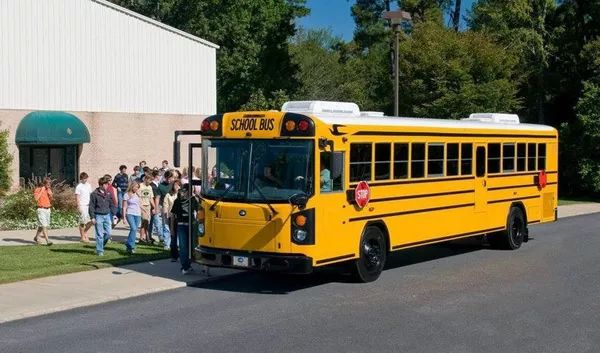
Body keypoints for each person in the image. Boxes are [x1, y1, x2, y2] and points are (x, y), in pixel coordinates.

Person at [171, 184, 199, 274]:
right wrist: (172, 228)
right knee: (183, 246)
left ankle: (188, 264)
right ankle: (185, 266)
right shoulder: (177, 201)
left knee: (191, 246)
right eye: (183, 190)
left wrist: (196, 221)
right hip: (181, 225)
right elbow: (172, 216)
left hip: (191, 225)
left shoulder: (193, 200)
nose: (184, 192)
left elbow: (199, 210)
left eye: (186, 190)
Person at [89, 176, 117, 256]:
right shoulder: (94, 194)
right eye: (105, 184)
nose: (107, 186)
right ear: (101, 185)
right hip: (98, 216)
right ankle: (99, 250)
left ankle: (101, 245)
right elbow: (91, 206)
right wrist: (92, 217)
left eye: (107, 184)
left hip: (107, 215)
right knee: (99, 235)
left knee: (108, 234)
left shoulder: (108, 193)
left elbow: (112, 204)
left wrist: (114, 214)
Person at [122, 181, 142, 254]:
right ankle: (131, 246)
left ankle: (128, 244)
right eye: (136, 187)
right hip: (130, 213)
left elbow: (139, 205)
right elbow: (124, 207)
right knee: (133, 228)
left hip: (138, 214)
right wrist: (124, 217)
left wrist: (144, 211)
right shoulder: (126, 195)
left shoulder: (137, 194)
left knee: (134, 230)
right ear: (132, 186)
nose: (137, 189)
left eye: (138, 187)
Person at [163, 180, 181, 262]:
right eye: (175, 185)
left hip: (181, 217)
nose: (177, 186)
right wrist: (166, 215)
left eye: (178, 185)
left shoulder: (183, 195)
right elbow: (165, 205)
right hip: (172, 217)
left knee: (181, 237)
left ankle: (183, 254)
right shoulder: (168, 195)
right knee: (173, 236)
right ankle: (174, 255)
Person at [33, 177, 53, 246]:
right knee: (44, 225)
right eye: (48, 184)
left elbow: (50, 200)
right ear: (44, 184)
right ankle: (48, 240)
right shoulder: (38, 189)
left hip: (48, 209)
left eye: (50, 183)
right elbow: (36, 199)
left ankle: (36, 237)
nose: (49, 185)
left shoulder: (48, 190)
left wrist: (50, 195)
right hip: (41, 209)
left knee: (43, 226)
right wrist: (42, 190)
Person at [156, 170, 173, 250]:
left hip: (173, 208)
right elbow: (158, 197)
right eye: (168, 178)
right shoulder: (161, 186)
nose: (169, 180)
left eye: (171, 178)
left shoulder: (173, 185)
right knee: (165, 225)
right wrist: (157, 207)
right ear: (165, 177)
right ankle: (167, 244)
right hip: (164, 208)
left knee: (173, 226)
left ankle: (175, 243)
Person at [75, 172, 93, 242]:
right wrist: (78, 206)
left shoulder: (89, 185)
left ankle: (85, 232)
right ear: (81, 179)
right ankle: (82, 237)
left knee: (91, 221)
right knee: (82, 222)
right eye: (84, 178)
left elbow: (90, 195)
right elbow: (77, 197)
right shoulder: (79, 186)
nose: (85, 180)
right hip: (82, 205)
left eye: (86, 178)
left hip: (88, 205)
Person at [137, 175, 155, 243]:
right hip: (141, 205)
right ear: (146, 179)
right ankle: (142, 238)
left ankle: (143, 238)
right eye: (150, 180)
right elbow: (137, 197)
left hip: (148, 206)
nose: (150, 182)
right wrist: (140, 205)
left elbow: (151, 198)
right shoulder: (140, 186)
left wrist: (154, 207)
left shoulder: (150, 187)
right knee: (145, 221)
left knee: (146, 222)